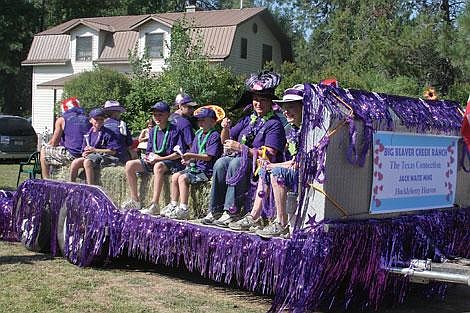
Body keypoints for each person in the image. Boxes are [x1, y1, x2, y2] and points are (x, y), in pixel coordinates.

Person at [203, 71, 287, 227]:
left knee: (237, 164)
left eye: (263, 100)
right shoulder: (248, 119)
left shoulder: (274, 124)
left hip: (257, 168)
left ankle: (231, 212)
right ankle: (215, 210)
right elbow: (225, 141)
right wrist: (225, 128)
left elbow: (269, 155)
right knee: (221, 163)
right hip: (240, 159)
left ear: (270, 103)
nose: (258, 104)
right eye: (256, 100)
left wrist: (242, 148)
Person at [228, 84, 304, 238]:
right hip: (295, 168)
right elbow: (294, 160)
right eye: (284, 107)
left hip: (307, 174)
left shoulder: (307, 130)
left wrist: (273, 164)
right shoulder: (292, 130)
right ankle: (254, 216)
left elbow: (299, 163)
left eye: (291, 107)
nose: (286, 111)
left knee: (276, 172)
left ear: (303, 108)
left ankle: (281, 223)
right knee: (265, 169)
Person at [121, 101, 185, 214]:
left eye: (160, 114)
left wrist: (159, 159)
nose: (157, 117)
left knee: (158, 166)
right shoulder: (153, 131)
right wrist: (148, 157)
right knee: (130, 164)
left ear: (168, 115)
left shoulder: (176, 130)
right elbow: (149, 151)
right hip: (153, 160)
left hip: (169, 162)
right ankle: (135, 200)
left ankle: (155, 204)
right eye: (155, 114)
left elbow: (178, 154)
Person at [163, 107, 223, 220]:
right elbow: (193, 152)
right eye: (199, 120)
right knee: (175, 175)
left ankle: (184, 208)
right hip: (195, 168)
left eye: (203, 120)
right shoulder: (199, 134)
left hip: (206, 171)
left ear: (213, 121)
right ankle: (173, 205)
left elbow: (208, 157)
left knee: (183, 178)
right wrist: (188, 159)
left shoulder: (214, 135)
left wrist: (191, 156)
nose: (200, 123)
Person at [40, 97, 91, 178]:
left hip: (72, 155)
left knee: (44, 151)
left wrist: (47, 145)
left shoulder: (62, 120)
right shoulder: (87, 119)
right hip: (87, 155)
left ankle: (46, 180)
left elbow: (54, 143)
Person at [70, 108, 120, 185]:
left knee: (87, 162)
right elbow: (83, 150)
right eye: (96, 119)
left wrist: (95, 150)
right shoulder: (88, 133)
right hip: (92, 157)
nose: (99, 121)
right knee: (75, 162)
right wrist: (84, 153)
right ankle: (72, 185)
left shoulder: (109, 133)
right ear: (90, 120)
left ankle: (91, 187)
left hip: (106, 157)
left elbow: (113, 151)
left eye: (101, 119)